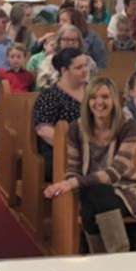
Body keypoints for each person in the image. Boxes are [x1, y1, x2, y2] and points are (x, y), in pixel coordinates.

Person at [45, 77, 136, 254]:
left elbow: (114, 173)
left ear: (114, 99)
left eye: (105, 97)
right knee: (93, 194)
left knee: (99, 192)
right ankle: (113, 256)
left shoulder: (128, 127)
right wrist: (71, 183)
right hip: (89, 189)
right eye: (93, 97)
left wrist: (71, 184)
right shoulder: (76, 127)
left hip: (124, 189)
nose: (99, 102)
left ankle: (108, 255)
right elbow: (73, 169)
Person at [33, 47, 89, 179]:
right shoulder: (50, 96)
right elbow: (43, 130)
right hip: (59, 153)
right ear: (64, 70)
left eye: (85, 66)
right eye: (78, 67)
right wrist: (77, 148)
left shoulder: (92, 93)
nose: (85, 71)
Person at [35, 24, 97, 90]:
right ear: (59, 41)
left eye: (74, 40)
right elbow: (42, 84)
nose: (70, 43)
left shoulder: (88, 61)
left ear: (79, 42)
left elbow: (93, 85)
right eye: (66, 39)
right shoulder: (48, 62)